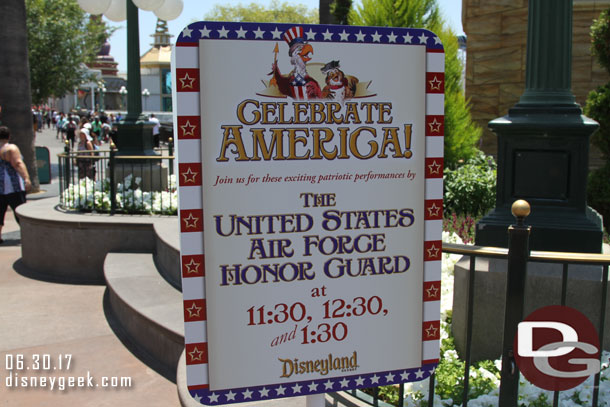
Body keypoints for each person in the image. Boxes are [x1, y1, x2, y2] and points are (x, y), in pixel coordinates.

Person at [0, 126, 31, 244]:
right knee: (20, 210)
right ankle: (27, 235)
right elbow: (18, 163)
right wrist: (26, 178)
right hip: (12, 185)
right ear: (9, 136)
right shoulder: (10, 149)